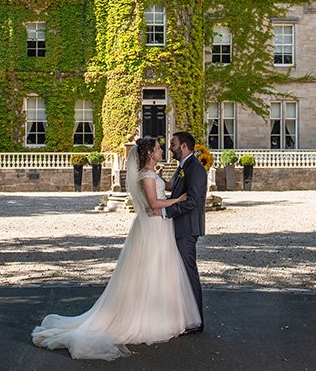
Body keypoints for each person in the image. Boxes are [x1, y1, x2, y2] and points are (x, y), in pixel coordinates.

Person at [31, 137, 201, 360]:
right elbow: (154, 204)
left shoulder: (153, 173)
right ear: (150, 153)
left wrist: (183, 170)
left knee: (161, 268)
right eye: (158, 148)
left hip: (160, 225)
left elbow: (168, 185)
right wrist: (177, 200)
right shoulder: (146, 176)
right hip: (153, 225)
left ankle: (163, 314)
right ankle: (146, 317)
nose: (163, 150)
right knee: (150, 268)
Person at [162, 130, 207, 333]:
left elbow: (193, 201)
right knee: (180, 273)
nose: (170, 148)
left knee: (189, 273)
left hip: (187, 227)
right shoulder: (183, 166)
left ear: (183, 146)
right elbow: (174, 189)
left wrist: (166, 212)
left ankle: (196, 321)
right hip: (181, 226)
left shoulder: (195, 169)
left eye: (173, 144)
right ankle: (184, 317)